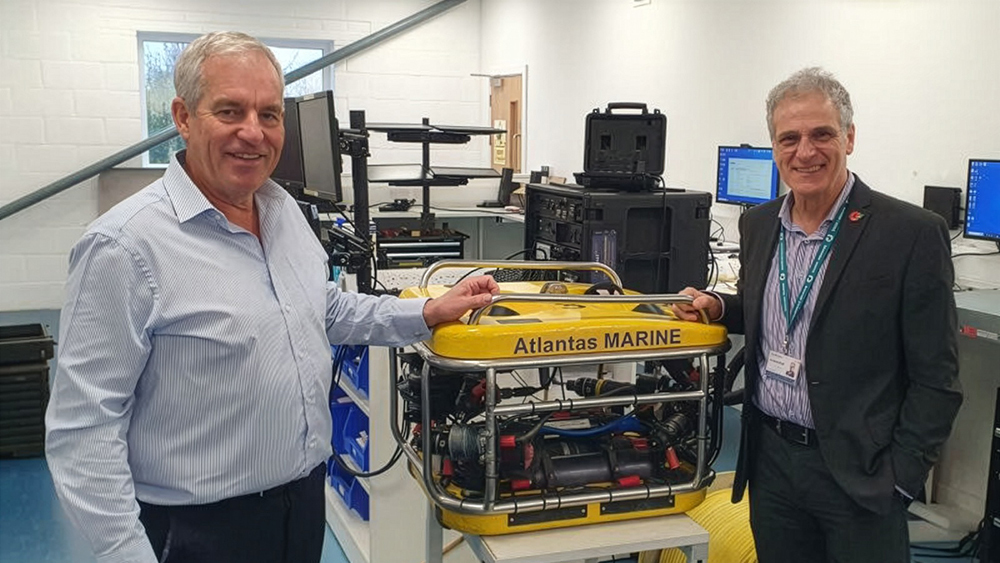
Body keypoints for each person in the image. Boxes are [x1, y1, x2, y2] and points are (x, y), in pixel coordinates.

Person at [45, 31, 499, 563]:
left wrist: (427, 310)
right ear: (183, 117)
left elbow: (324, 308)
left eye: (269, 114)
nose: (252, 133)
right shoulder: (123, 247)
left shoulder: (282, 211)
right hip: (198, 532)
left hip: (300, 506)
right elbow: (83, 431)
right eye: (230, 111)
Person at [673, 67, 962, 562]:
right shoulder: (759, 223)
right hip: (771, 463)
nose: (805, 152)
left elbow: (938, 378)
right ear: (774, 147)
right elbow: (777, 312)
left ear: (849, 138)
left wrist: (900, 479)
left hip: (860, 471)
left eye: (821, 134)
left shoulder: (910, 233)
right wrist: (719, 306)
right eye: (789, 138)